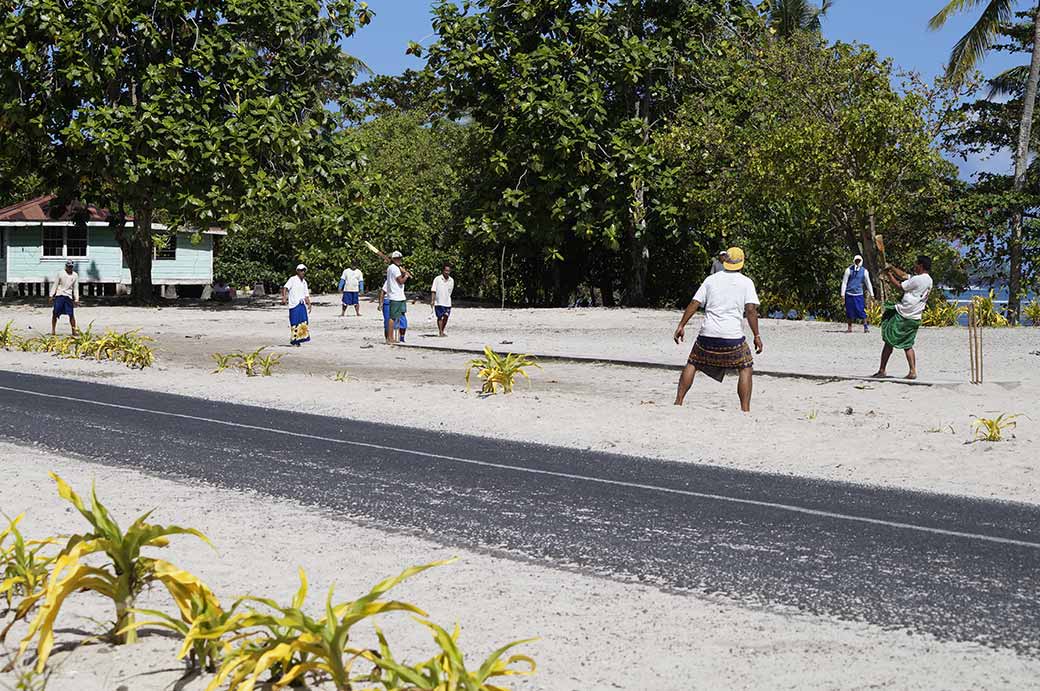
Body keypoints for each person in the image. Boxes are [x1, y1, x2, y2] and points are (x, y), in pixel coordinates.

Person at [672, 247, 763, 413]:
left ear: (725, 261)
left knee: (693, 362)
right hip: (732, 337)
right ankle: (745, 409)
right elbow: (750, 310)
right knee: (745, 366)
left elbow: (694, 303)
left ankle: (678, 402)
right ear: (742, 263)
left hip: (707, 335)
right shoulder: (746, 282)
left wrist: (681, 325)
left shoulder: (710, 280)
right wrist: (756, 335)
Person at [872, 255, 933, 380]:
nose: (914, 266)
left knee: (889, 340)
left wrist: (889, 275)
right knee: (908, 344)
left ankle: (882, 370)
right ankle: (912, 371)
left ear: (920, 266)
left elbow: (900, 286)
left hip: (904, 314)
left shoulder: (918, 280)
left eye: (916, 264)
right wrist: (892, 268)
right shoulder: (928, 280)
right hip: (915, 316)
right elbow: (904, 276)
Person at [840, 254, 875, 333]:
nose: (857, 262)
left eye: (859, 261)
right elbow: (844, 282)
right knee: (849, 311)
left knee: (861, 310)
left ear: (861, 261)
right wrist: (842, 294)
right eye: (856, 261)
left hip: (858, 294)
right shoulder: (848, 270)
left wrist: (872, 294)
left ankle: (865, 327)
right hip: (849, 294)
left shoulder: (864, 271)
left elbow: (868, 283)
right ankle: (849, 327)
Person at [281, 264, 312, 346]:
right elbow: (285, 288)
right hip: (294, 304)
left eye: (304, 270)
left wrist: (309, 304)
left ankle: (299, 340)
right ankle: (295, 340)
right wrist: (284, 298)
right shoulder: (292, 279)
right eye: (301, 270)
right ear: (297, 271)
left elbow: (306, 294)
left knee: (303, 322)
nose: (302, 272)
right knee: (294, 322)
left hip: (302, 304)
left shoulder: (304, 282)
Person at [385, 251, 410, 344]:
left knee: (399, 316)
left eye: (399, 258)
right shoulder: (394, 268)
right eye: (397, 258)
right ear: (393, 259)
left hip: (399, 296)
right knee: (392, 317)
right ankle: (390, 338)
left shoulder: (393, 268)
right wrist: (406, 276)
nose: (399, 260)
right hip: (395, 296)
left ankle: (394, 337)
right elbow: (401, 281)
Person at [50, 260, 79, 335]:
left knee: (71, 314)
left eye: (71, 267)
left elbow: (75, 288)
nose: (70, 268)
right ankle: (53, 330)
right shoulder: (60, 273)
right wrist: (51, 295)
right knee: (55, 313)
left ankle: (74, 331)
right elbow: (55, 284)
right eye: (68, 266)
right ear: (66, 266)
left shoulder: (75, 275)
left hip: (68, 296)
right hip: (59, 295)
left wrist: (76, 299)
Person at [431, 263, 455, 337]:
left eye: (448, 271)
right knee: (439, 317)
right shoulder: (437, 279)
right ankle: (440, 331)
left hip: (447, 302)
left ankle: (442, 330)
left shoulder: (451, 280)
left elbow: (450, 291)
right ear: (443, 271)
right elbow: (433, 290)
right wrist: (432, 300)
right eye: (446, 270)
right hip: (439, 302)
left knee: (446, 317)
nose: (447, 272)